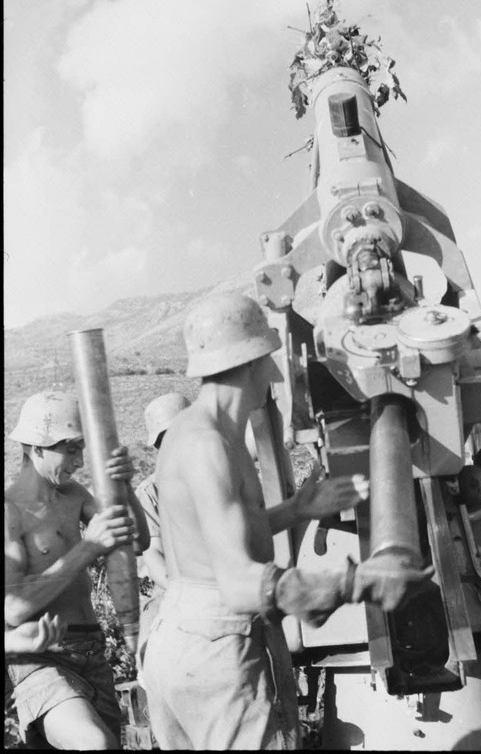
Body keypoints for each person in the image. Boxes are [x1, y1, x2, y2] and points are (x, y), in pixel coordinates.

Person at [143, 292, 432, 750]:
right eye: (270, 358)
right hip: (222, 643)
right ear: (254, 360)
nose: (277, 372)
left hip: (178, 636)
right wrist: (357, 583)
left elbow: (216, 537)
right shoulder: (211, 446)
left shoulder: (191, 430)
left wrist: (297, 509)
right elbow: (238, 584)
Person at [5, 390, 150, 751]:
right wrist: (88, 547)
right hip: (41, 660)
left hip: (93, 651)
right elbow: (12, 608)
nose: (80, 460)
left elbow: (136, 542)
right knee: (94, 744)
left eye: (81, 448)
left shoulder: (73, 494)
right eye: (69, 449)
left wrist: (124, 488)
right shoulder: (10, 512)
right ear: (36, 447)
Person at [135, 391, 191, 677]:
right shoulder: (150, 492)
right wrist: (182, 591)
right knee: (151, 653)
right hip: (170, 589)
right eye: (164, 440)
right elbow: (154, 552)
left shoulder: (221, 475)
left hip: (225, 581)